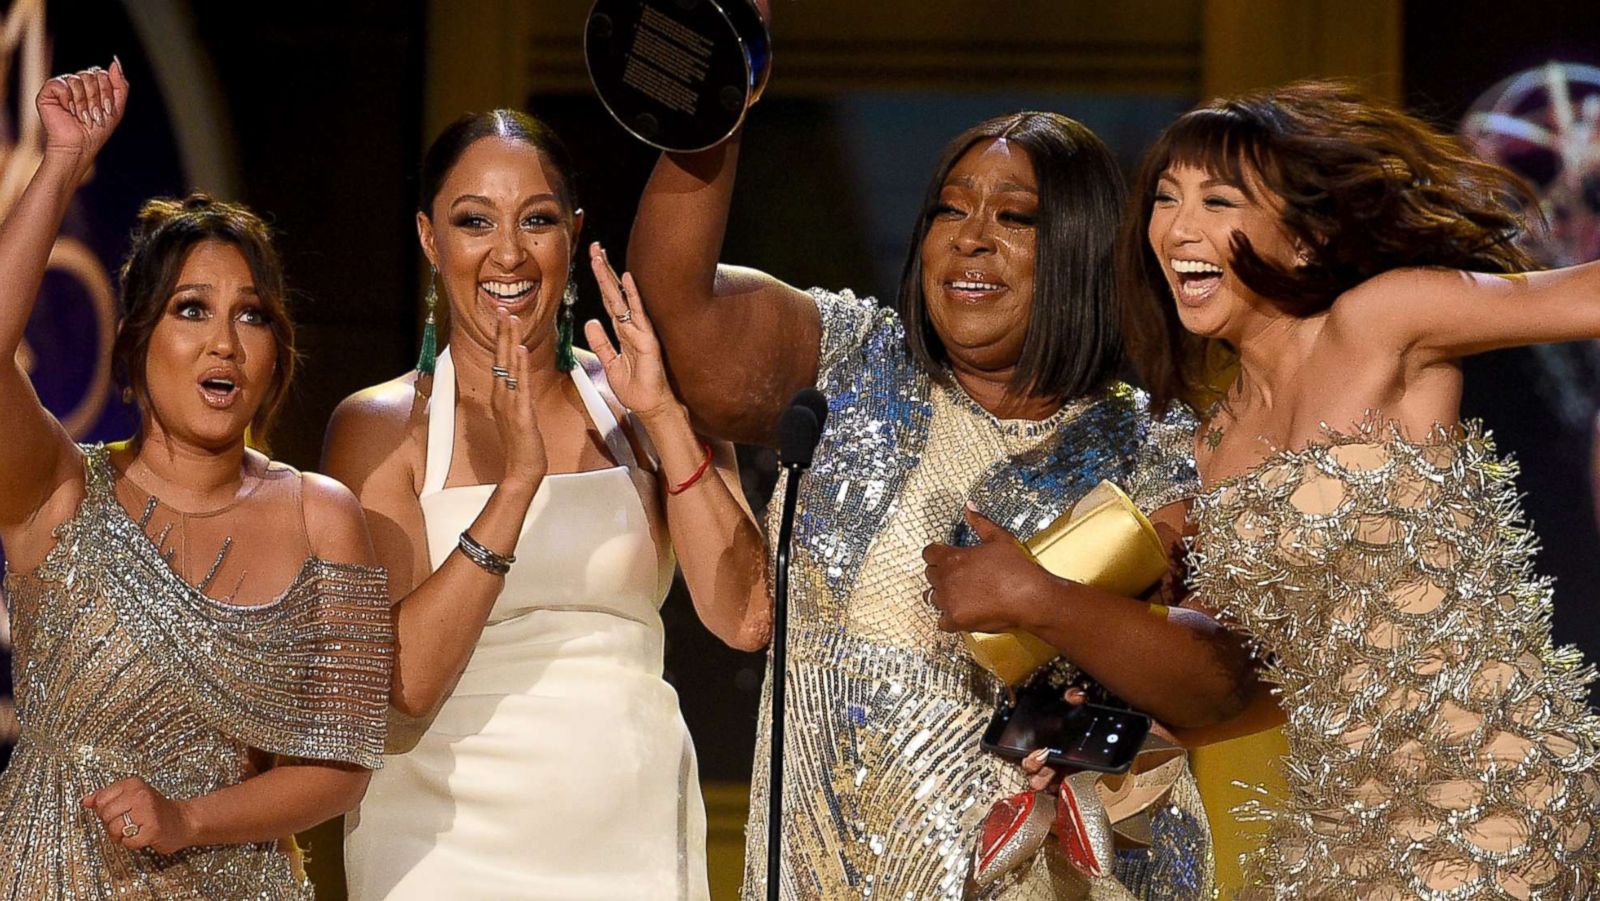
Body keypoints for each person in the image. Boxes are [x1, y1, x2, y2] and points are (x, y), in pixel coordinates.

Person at [628, 97, 1260, 895]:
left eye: (1016, 218)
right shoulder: (851, 361)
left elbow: (1219, 682)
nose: (970, 237)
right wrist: (716, 101)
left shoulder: (1150, 452)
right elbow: (675, 311)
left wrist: (1043, 600)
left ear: (1082, 248)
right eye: (950, 209)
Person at [1119, 79, 1600, 898]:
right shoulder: (1214, 445)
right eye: (1167, 198)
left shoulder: (1380, 322)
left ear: (1304, 238)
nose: (1179, 227)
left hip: (1495, 793)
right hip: (1338, 821)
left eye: (1218, 198)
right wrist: (1126, 732)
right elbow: (1268, 680)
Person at [328, 110, 767, 900]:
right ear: (430, 240)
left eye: (536, 220)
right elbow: (401, 692)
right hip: (440, 851)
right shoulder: (380, 427)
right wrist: (517, 483)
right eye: (474, 221)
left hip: (630, 840)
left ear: (573, 233)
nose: (508, 253)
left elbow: (745, 615)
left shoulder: (645, 401)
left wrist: (666, 416)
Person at [0, 62, 392, 899]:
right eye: (191, 309)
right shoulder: (58, 492)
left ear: (276, 352)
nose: (226, 341)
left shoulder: (320, 512)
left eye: (251, 314)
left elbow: (344, 762)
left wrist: (188, 818)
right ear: (136, 339)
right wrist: (61, 161)